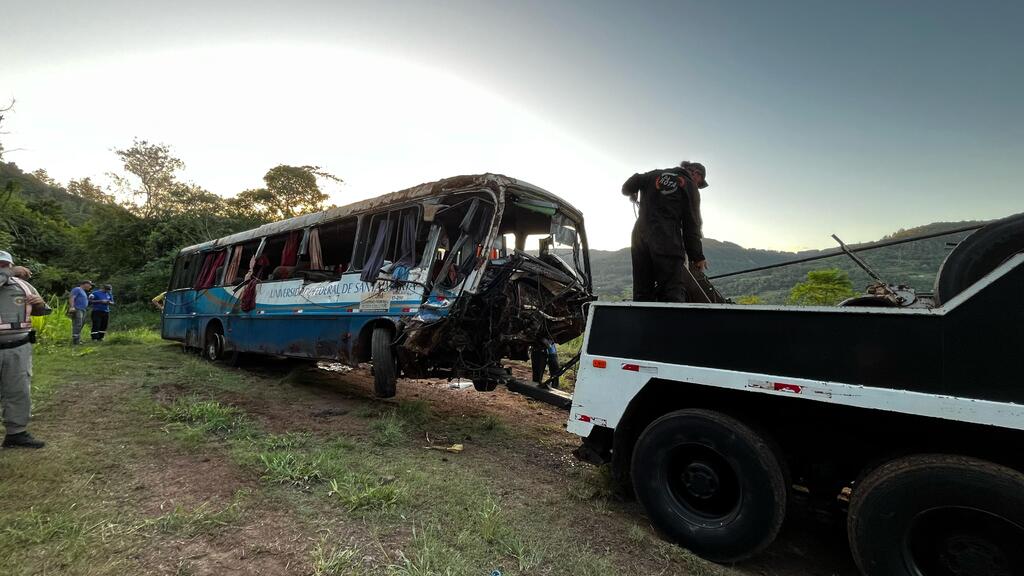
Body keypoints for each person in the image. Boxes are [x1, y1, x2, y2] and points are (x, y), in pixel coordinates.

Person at [621, 161, 709, 302]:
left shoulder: (652, 175)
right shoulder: (689, 185)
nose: (698, 185)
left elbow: (626, 187)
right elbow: (691, 224)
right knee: (671, 290)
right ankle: (671, 323)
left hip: (639, 240)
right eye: (700, 182)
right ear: (696, 174)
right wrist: (697, 256)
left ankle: (643, 322)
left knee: (642, 291)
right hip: (667, 239)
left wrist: (634, 192)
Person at [0, 250, 51, 449]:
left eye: (6, 265)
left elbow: (42, 310)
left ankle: (16, 434)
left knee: (18, 391)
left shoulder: (23, 286)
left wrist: (41, 305)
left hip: (19, 348)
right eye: (0, 265)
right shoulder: (10, 276)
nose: (4, 269)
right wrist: (10, 272)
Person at [68, 280, 92, 345]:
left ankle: (77, 339)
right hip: (77, 309)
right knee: (77, 324)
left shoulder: (83, 291)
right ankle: (75, 341)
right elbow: (72, 297)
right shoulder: (77, 289)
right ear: (85, 284)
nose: (90, 286)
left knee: (81, 324)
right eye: (89, 285)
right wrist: (72, 307)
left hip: (83, 310)